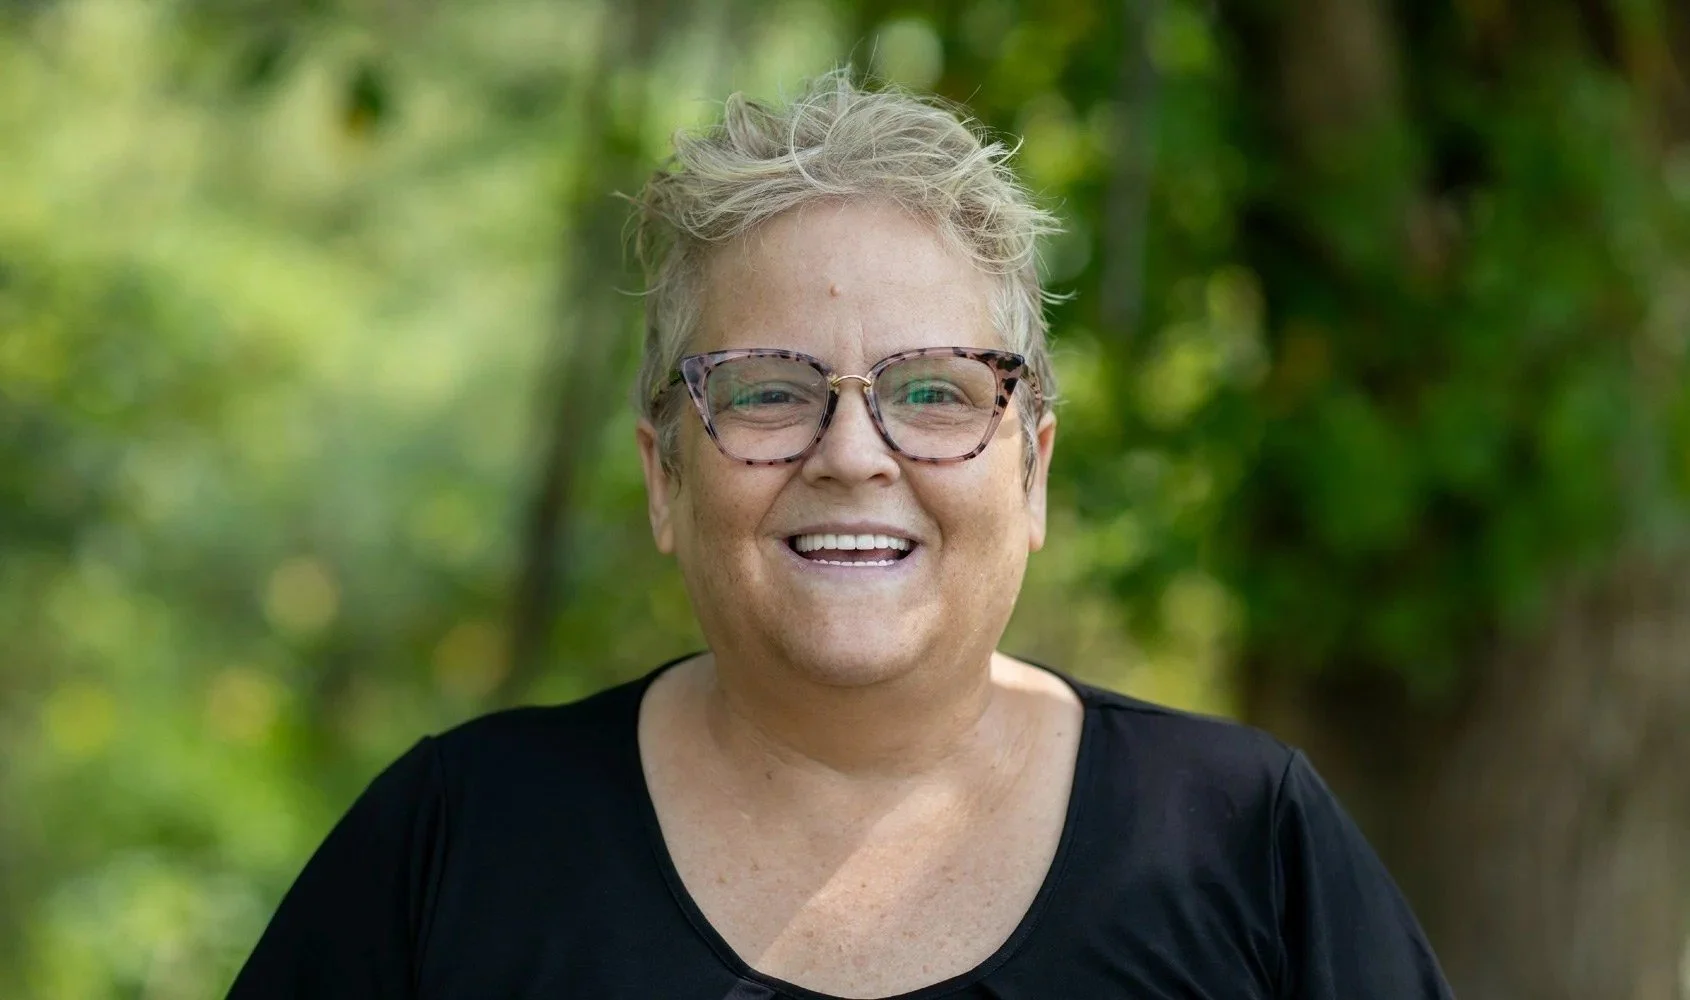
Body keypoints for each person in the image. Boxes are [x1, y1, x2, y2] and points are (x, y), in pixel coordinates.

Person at [228, 70, 1454, 999]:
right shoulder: (460, 843)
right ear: (665, 477)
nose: (854, 452)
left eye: (933, 390)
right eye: (767, 388)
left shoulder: (1242, 844)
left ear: (1030, 471)